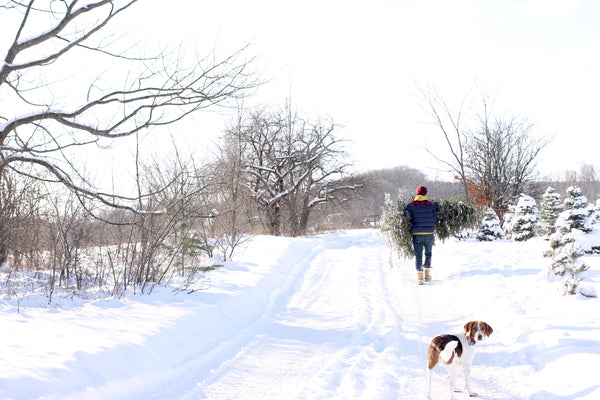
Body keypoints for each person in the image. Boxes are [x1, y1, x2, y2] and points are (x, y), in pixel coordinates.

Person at [404, 185, 438, 285]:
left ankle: (420, 278)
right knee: (428, 254)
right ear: (425, 193)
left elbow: (405, 216)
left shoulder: (411, 205)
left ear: (417, 193)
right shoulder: (431, 205)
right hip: (429, 234)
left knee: (418, 256)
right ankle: (427, 275)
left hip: (417, 234)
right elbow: (435, 218)